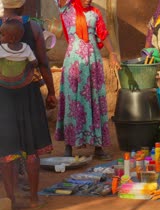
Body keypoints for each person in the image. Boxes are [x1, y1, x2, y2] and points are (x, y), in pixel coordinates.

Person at [0, 0, 58, 208]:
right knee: (31, 147)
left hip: (3, 95)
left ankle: (10, 199)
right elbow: (42, 61)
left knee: (6, 149)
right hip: (29, 93)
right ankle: (34, 199)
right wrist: (51, 92)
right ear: (22, 5)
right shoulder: (32, 26)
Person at [54, 0, 121, 160]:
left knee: (94, 101)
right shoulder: (67, 9)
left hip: (93, 60)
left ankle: (98, 147)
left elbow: (103, 34)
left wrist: (112, 54)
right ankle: (69, 146)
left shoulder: (95, 13)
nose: (89, 0)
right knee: (72, 101)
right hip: (73, 61)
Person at [0, 18, 38, 87]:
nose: (0, 37)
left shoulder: (2, 48)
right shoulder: (26, 47)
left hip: (3, 80)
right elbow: (35, 63)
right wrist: (28, 65)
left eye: (2, 35)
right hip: (21, 80)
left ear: (12, 39)